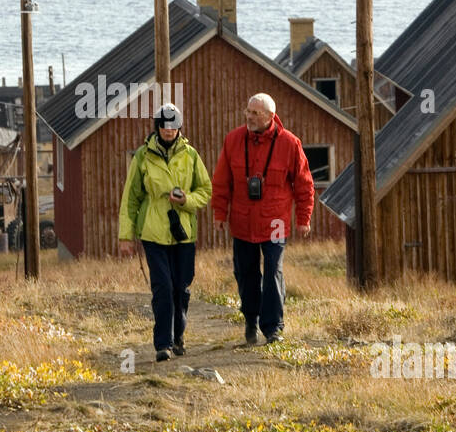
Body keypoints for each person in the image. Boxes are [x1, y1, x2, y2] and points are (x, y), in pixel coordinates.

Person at [211, 93, 314, 345]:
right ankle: (250, 319)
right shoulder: (233, 140)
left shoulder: (290, 143)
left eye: (255, 113)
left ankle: (273, 328)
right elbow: (222, 181)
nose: (249, 116)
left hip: (276, 222)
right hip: (242, 221)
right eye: (248, 111)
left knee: (273, 272)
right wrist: (219, 213)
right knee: (245, 273)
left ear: (270, 116)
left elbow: (304, 184)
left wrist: (303, 218)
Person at [118, 103, 212, 362]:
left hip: (183, 232)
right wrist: (126, 236)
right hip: (153, 232)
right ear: (157, 127)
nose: (168, 131)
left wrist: (186, 200)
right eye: (164, 126)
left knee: (181, 288)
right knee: (162, 287)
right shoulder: (142, 156)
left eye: (173, 126)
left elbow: (205, 190)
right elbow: (131, 198)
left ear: (179, 128)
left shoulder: (191, 155)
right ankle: (163, 344)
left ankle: (178, 335)